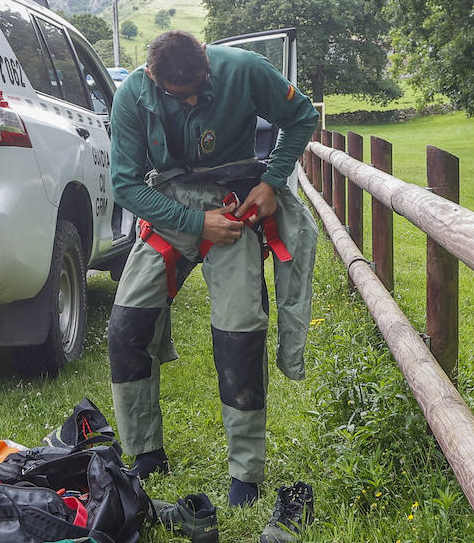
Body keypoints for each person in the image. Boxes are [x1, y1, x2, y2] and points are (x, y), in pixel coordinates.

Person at [107, 30, 318, 507]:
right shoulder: (132, 97)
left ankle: (246, 473)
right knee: (126, 328)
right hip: (172, 208)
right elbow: (124, 184)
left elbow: (302, 116)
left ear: (206, 60)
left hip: (237, 203)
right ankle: (144, 453)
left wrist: (270, 181)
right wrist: (193, 223)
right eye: (185, 95)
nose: (198, 97)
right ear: (155, 80)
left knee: (240, 331)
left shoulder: (243, 69)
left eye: (203, 85)